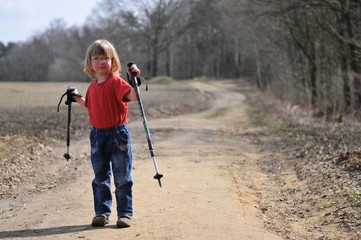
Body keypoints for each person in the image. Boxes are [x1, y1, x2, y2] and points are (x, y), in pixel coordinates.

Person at [71, 39, 141, 228]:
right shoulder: (93, 86)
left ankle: (124, 213)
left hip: (118, 135)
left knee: (122, 176)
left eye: (105, 58)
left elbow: (133, 97)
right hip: (97, 136)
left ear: (113, 61)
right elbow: (89, 106)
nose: (101, 62)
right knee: (100, 177)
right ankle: (102, 212)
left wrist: (134, 79)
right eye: (96, 58)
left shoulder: (116, 82)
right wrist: (76, 96)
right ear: (90, 62)